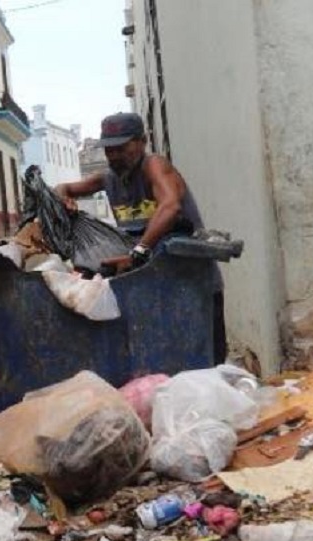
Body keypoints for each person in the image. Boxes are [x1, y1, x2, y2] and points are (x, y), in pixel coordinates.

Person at [54, 112, 227, 364]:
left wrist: (139, 251)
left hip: (189, 284)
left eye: (121, 148)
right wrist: (63, 198)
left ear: (142, 141)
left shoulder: (155, 166)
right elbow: (64, 188)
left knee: (206, 363)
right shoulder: (109, 179)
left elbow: (170, 206)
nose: (113, 156)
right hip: (150, 288)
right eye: (108, 150)